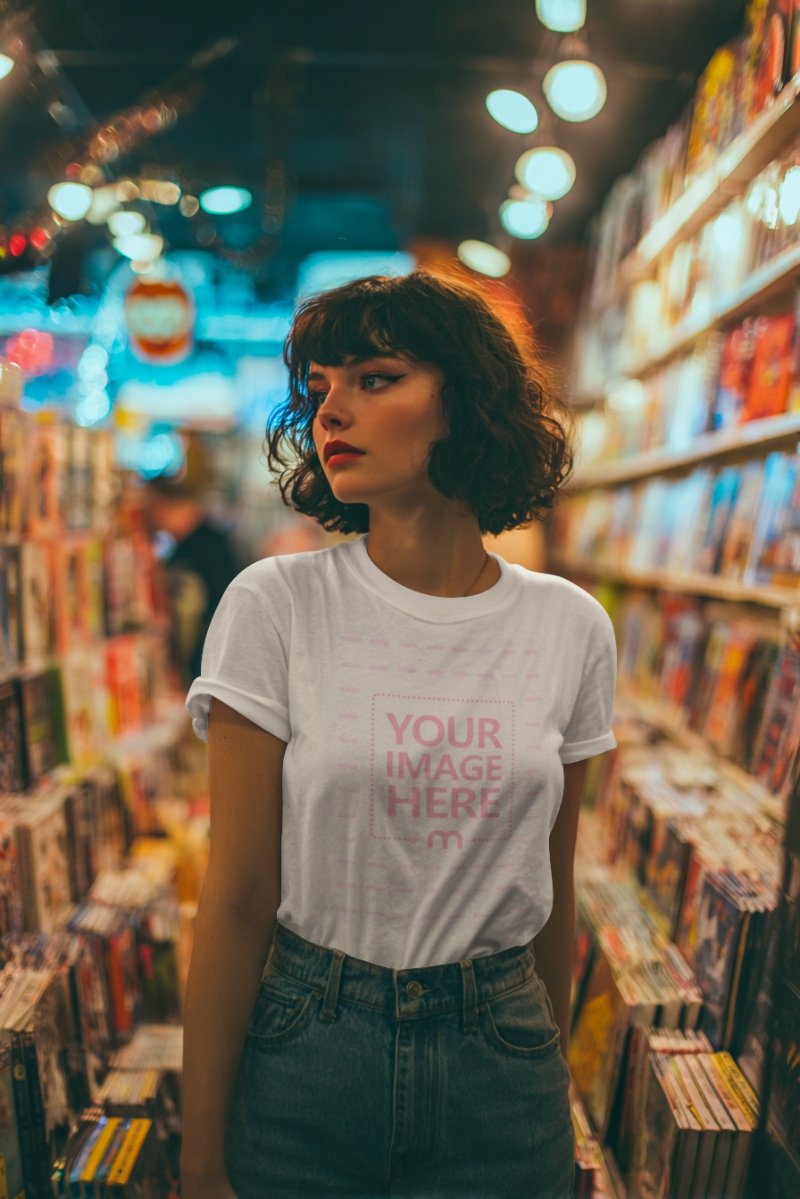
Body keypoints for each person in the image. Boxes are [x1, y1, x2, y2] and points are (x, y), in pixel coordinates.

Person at [181, 269, 617, 1199]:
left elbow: (555, 885)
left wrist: (555, 1091)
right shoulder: (276, 604)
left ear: (464, 403)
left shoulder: (571, 626)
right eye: (321, 387)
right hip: (309, 1046)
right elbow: (236, 896)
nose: (331, 410)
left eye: (375, 378)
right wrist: (201, 1154)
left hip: (501, 1055)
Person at [145, 436, 241, 688]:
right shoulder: (193, 542)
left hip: (210, 664)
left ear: (167, 506)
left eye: (152, 509)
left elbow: (223, 605)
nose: (152, 520)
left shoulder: (207, 544)